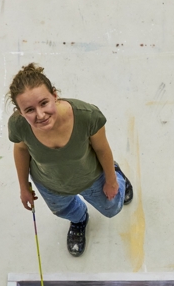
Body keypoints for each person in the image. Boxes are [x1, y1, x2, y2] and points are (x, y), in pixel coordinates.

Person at [7, 64, 133, 256]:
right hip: (50, 184)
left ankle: (117, 173)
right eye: (29, 110)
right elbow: (21, 150)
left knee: (112, 208)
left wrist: (111, 180)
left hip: (90, 177)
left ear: (54, 95)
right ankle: (79, 220)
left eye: (44, 103)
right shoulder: (18, 125)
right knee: (64, 210)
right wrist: (24, 187)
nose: (40, 115)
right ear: (20, 112)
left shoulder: (87, 116)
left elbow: (102, 149)